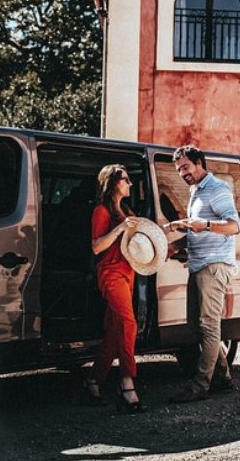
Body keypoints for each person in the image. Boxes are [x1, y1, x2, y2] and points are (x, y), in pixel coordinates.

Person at [166, 145, 240, 403]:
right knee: (196, 328)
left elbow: (233, 226)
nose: (182, 173)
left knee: (208, 327)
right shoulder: (196, 191)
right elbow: (196, 231)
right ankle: (224, 378)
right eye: (178, 170)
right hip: (198, 264)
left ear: (199, 163)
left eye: (185, 167)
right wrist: (175, 246)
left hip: (214, 265)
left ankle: (200, 386)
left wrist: (206, 224)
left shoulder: (217, 189)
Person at [87, 164, 145, 413]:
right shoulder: (101, 211)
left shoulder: (126, 210)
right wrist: (121, 228)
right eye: (126, 180)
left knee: (113, 331)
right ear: (113, 183)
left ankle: (93, 380)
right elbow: (97, 247)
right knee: (128, 323)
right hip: (111, 274)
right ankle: (127, 381)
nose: (130, 184)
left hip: (128, 272)